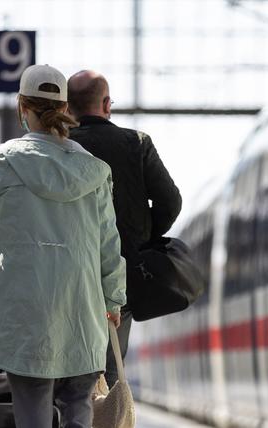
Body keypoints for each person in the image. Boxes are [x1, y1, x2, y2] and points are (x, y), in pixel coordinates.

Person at [0, 64, 126, 428]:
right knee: (79, 405)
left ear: (22, 107)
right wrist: (113, 299)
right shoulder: (93, 170)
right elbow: (109, 244)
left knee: (32, 409)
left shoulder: (7, 160)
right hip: (82, 309)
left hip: (24, 315)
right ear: (64, 108)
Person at [67, 70, 182, 387]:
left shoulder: (58, 148)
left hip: (66, 275)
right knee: (110, 365)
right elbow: (170, 202)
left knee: (67, 368)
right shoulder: (136, 143)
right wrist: (141, 241)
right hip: (122, 272)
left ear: (67, 107)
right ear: (106, 104)